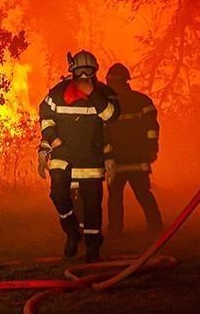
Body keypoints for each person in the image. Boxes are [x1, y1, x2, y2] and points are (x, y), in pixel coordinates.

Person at [37, 50, 119, 262]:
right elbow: (45, 116)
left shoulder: (104, 94)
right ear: (71, 71)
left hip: (91, 157)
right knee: (58, 194)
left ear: (95, 72)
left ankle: (92, 247)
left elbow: (111, 117)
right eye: (79, 71)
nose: (84, 75)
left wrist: (92, 94)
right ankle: (72, 232)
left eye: (88, 71)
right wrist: (50, 142)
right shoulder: (58, 93)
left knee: (92, 205)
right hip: (63, 155)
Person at [104, 63, 163, 235]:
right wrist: (151, 148)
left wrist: (106, 156)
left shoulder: (106, 105)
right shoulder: (142, 101)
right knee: (142, 193)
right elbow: (152, 127)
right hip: (136, 158)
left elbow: (102, 132)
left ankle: (116, 229)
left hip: (116, 160)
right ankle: (155, 225)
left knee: (116, 196)